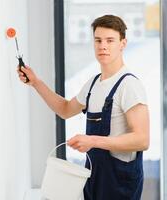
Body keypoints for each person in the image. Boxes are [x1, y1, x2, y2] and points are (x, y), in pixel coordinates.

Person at [17, 15, 149, 200]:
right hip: (94, 178)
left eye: (110, 40)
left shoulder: (129, 86)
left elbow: (142, 140)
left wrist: (92, 141)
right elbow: (64, 109)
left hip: (119, 183)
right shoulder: (93, 84)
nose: (103, 46)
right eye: (98, 40)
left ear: (123, 43)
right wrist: (36, 83)